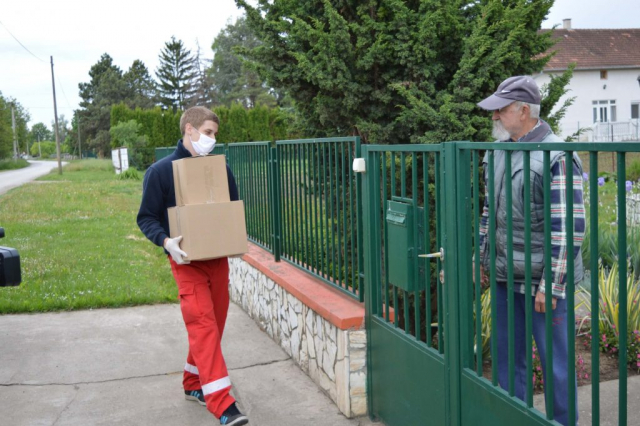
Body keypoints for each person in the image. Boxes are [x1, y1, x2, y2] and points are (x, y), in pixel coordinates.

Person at [476, 76, 584, 426]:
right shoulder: (500, 151)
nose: (494, 117)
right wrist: (483, 259)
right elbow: (489, 213)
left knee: (556, 367)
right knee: (508, 363)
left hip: (544, 286)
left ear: (524, 111)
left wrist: (551, 285)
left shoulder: (557, 155)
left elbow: (568, 227)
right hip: (508, 277)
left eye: (501, 110)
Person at [137, 106, 249, 426]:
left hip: (218, 260)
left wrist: (234, 238)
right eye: (208, 132)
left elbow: (230, 210)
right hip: (186, 262)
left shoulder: (219, 170)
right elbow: (146, 217)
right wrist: (166, 242)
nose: (213, 139)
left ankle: (192, 383)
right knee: (202, 325)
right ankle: (223, 405)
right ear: (189, 129)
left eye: (215, 134)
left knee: (212, 328)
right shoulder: (159, 172)